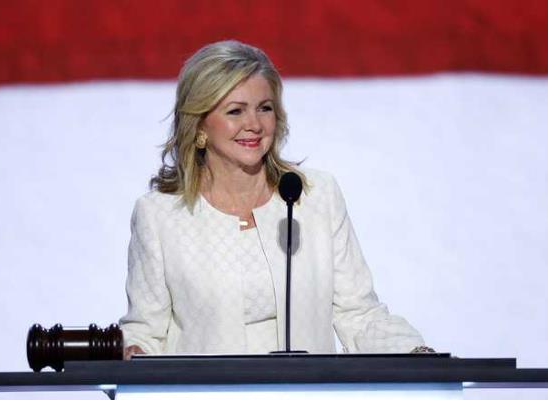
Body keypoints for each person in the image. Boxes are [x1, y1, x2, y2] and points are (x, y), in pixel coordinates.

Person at [119, 40, 430, 358]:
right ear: (199, 125)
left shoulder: (315, 197)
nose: (254, 124)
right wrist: (133, 351)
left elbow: (359, 314)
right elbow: (145, 329)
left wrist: (415, 352)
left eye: (264, 108)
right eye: (235, 111)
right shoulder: (159, 216)